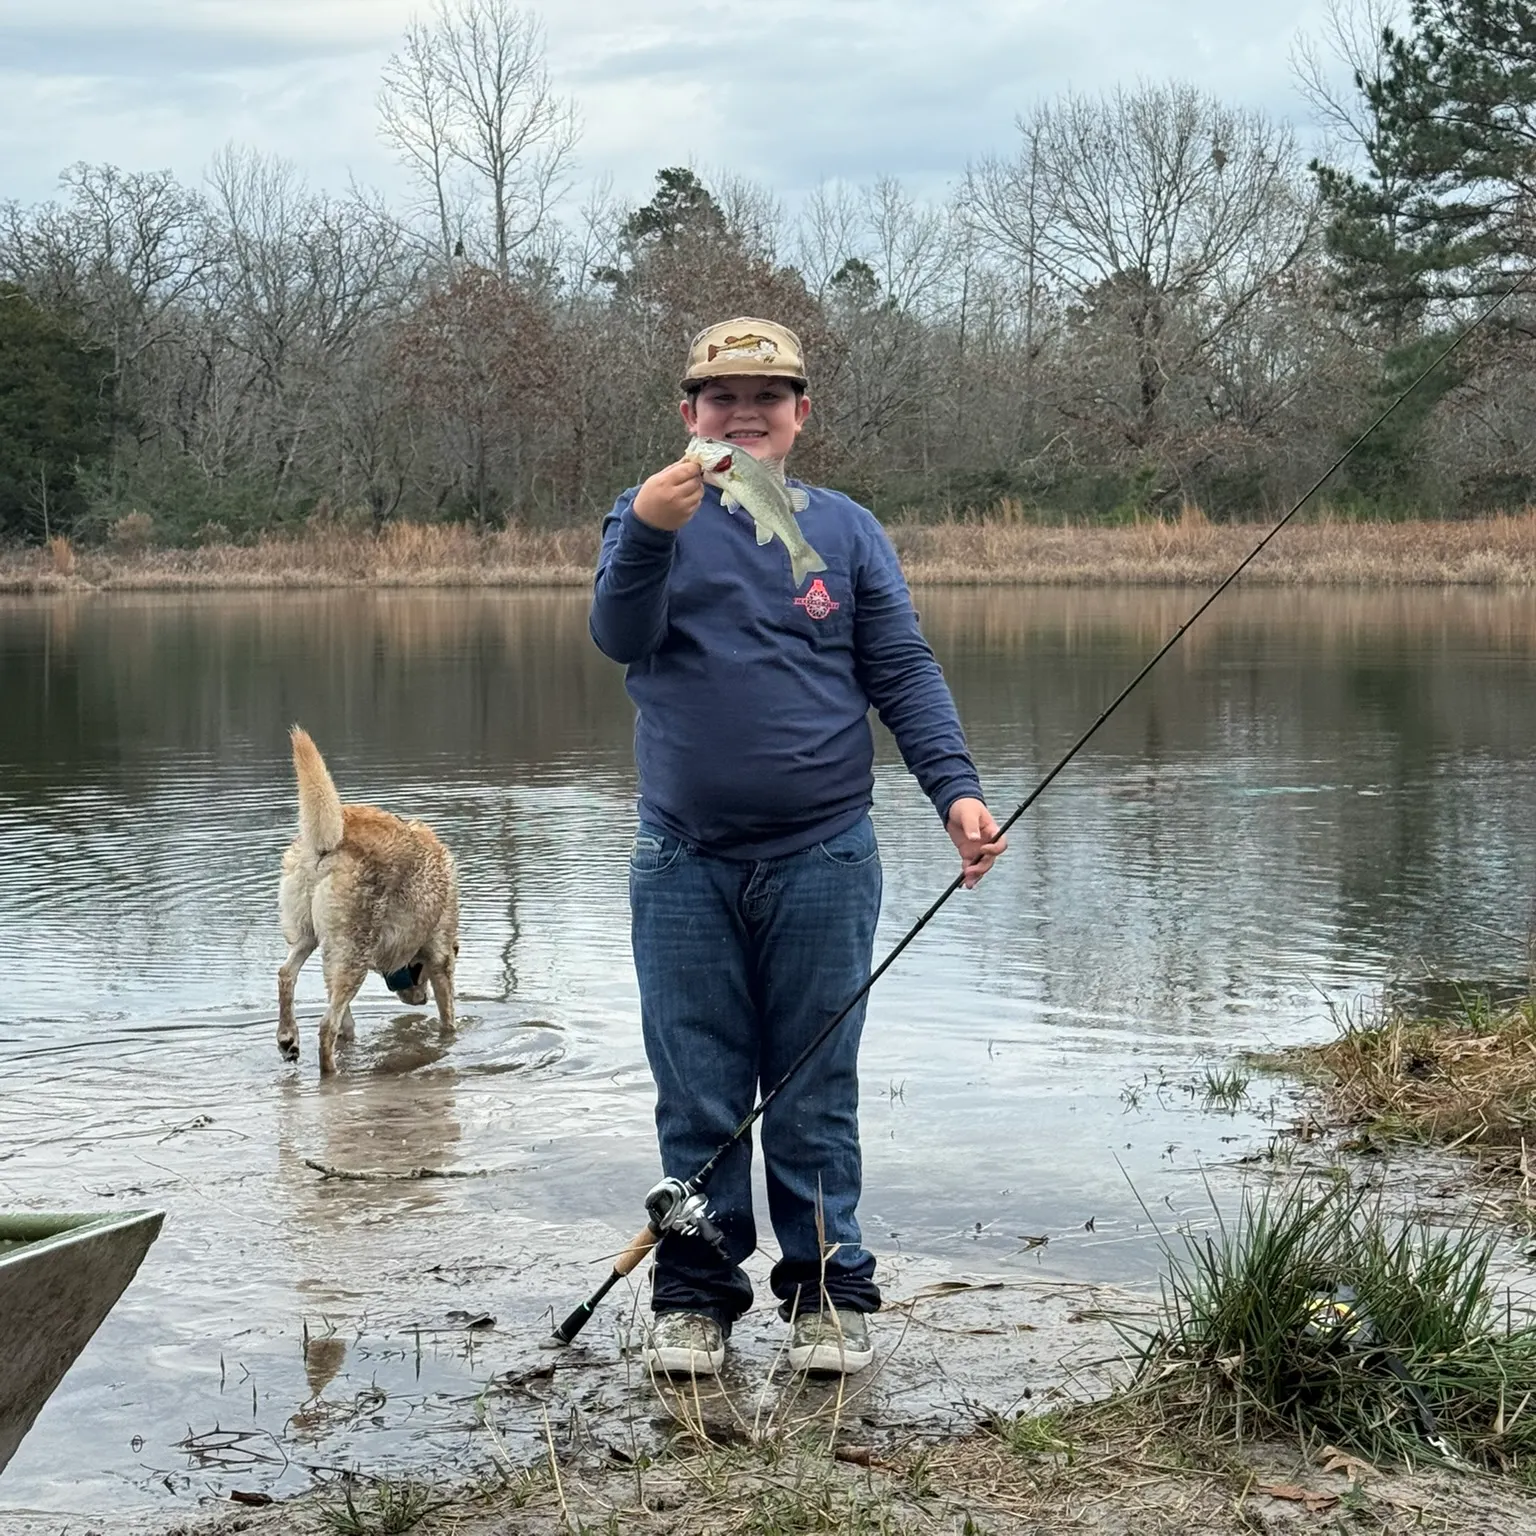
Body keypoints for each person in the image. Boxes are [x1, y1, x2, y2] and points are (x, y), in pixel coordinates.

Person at [589, 316, 1006, 1378]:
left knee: (816, 1088)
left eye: (765, 397)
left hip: (826, 854)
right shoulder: (648, 518)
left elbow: (902, 671)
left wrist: (954, 793)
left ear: (799, 415)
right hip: (681, 858)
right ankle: (695, 1297)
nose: (743, 412)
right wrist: (645, 526)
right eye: (720, 397)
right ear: (689, 416)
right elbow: (617, 635)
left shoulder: (852, 532)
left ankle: (828, 1292)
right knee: (699, 1092)